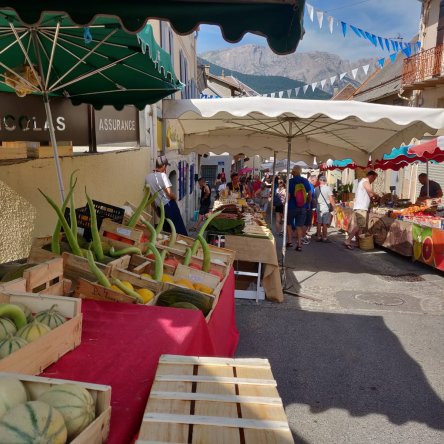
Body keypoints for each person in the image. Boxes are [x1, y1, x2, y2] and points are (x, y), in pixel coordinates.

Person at [145, 155, 188, 236]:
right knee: (178, 230)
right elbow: (169, 194)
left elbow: (150, 197)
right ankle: (183, 244)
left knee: (167, 231)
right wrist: (175, 198)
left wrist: (156, 210)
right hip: (169, 206)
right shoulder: (163, 176)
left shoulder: (148, 177)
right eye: (166, 166)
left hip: (159, 208)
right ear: (164, 166)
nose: (166, 169)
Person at [344, 170, 379, 250]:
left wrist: (373, 199)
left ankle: (357, 242)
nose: (373, 181)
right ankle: (348, 240)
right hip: (361, 208)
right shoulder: (366, 182)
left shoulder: (362, 182)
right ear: (371, 176)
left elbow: (369, 195)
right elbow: (370, 192)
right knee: (359, 226)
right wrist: (377, 195)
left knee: (360, 227)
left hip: (360, 207)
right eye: (374, 178)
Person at [287, 165, 312, 252]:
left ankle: (289, 242)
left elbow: (288, 196)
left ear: (293, 172)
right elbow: (310, 194)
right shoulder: (305, 180)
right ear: (300, 171)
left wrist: (285, 205)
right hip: (302, 207)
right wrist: (308, 204)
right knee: (299, 226)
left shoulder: (290, 181)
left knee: (289, 224)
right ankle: (299, 245)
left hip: (291, 206)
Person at [315, 175, 335, 242]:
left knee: (319, 223)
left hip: (318, 207)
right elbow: (331, 199)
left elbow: (315, 199)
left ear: (319, 181)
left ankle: (318, 237)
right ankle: (324, 238)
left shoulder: (316, 188)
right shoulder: (328, 188)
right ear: (325, 181)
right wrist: (334, 207)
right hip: (326, 208)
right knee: (324, 224)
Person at [302, 175, 317, 244]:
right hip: (308, 206)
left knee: (305, 222)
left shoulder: (308, 185)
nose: (316, 182)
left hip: (305, 206)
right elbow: (309, 196)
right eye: (315, 180)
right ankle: (303, 237)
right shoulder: (310, 186)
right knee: (306, 222)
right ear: (312, 180)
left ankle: (303, 236)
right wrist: (308, 205)